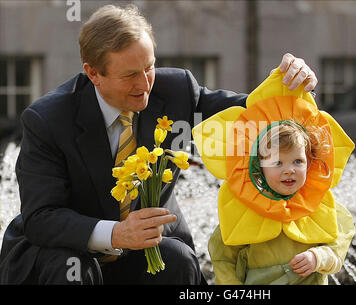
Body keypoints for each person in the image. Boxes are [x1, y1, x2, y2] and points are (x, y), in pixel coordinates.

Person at [0, 4, 318, 285]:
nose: (145, 85)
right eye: (130, 76)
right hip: (67, 250)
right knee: (71, 267)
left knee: (176, 259)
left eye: (149, 67)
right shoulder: (47, 119)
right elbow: (42, 218)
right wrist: (115, 233)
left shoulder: (177, 89)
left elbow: (252, 114)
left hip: (146, 251)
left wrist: (293, 87)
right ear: (93, 73)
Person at [193, 67, 355, 284]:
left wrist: (318, 257)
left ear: (310, 164)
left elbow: (338, 247)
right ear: (260, 166)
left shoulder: (323, 208)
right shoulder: (242, 211)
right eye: (277, 163)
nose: (289, 170)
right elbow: (223, 259)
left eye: (298, 161)